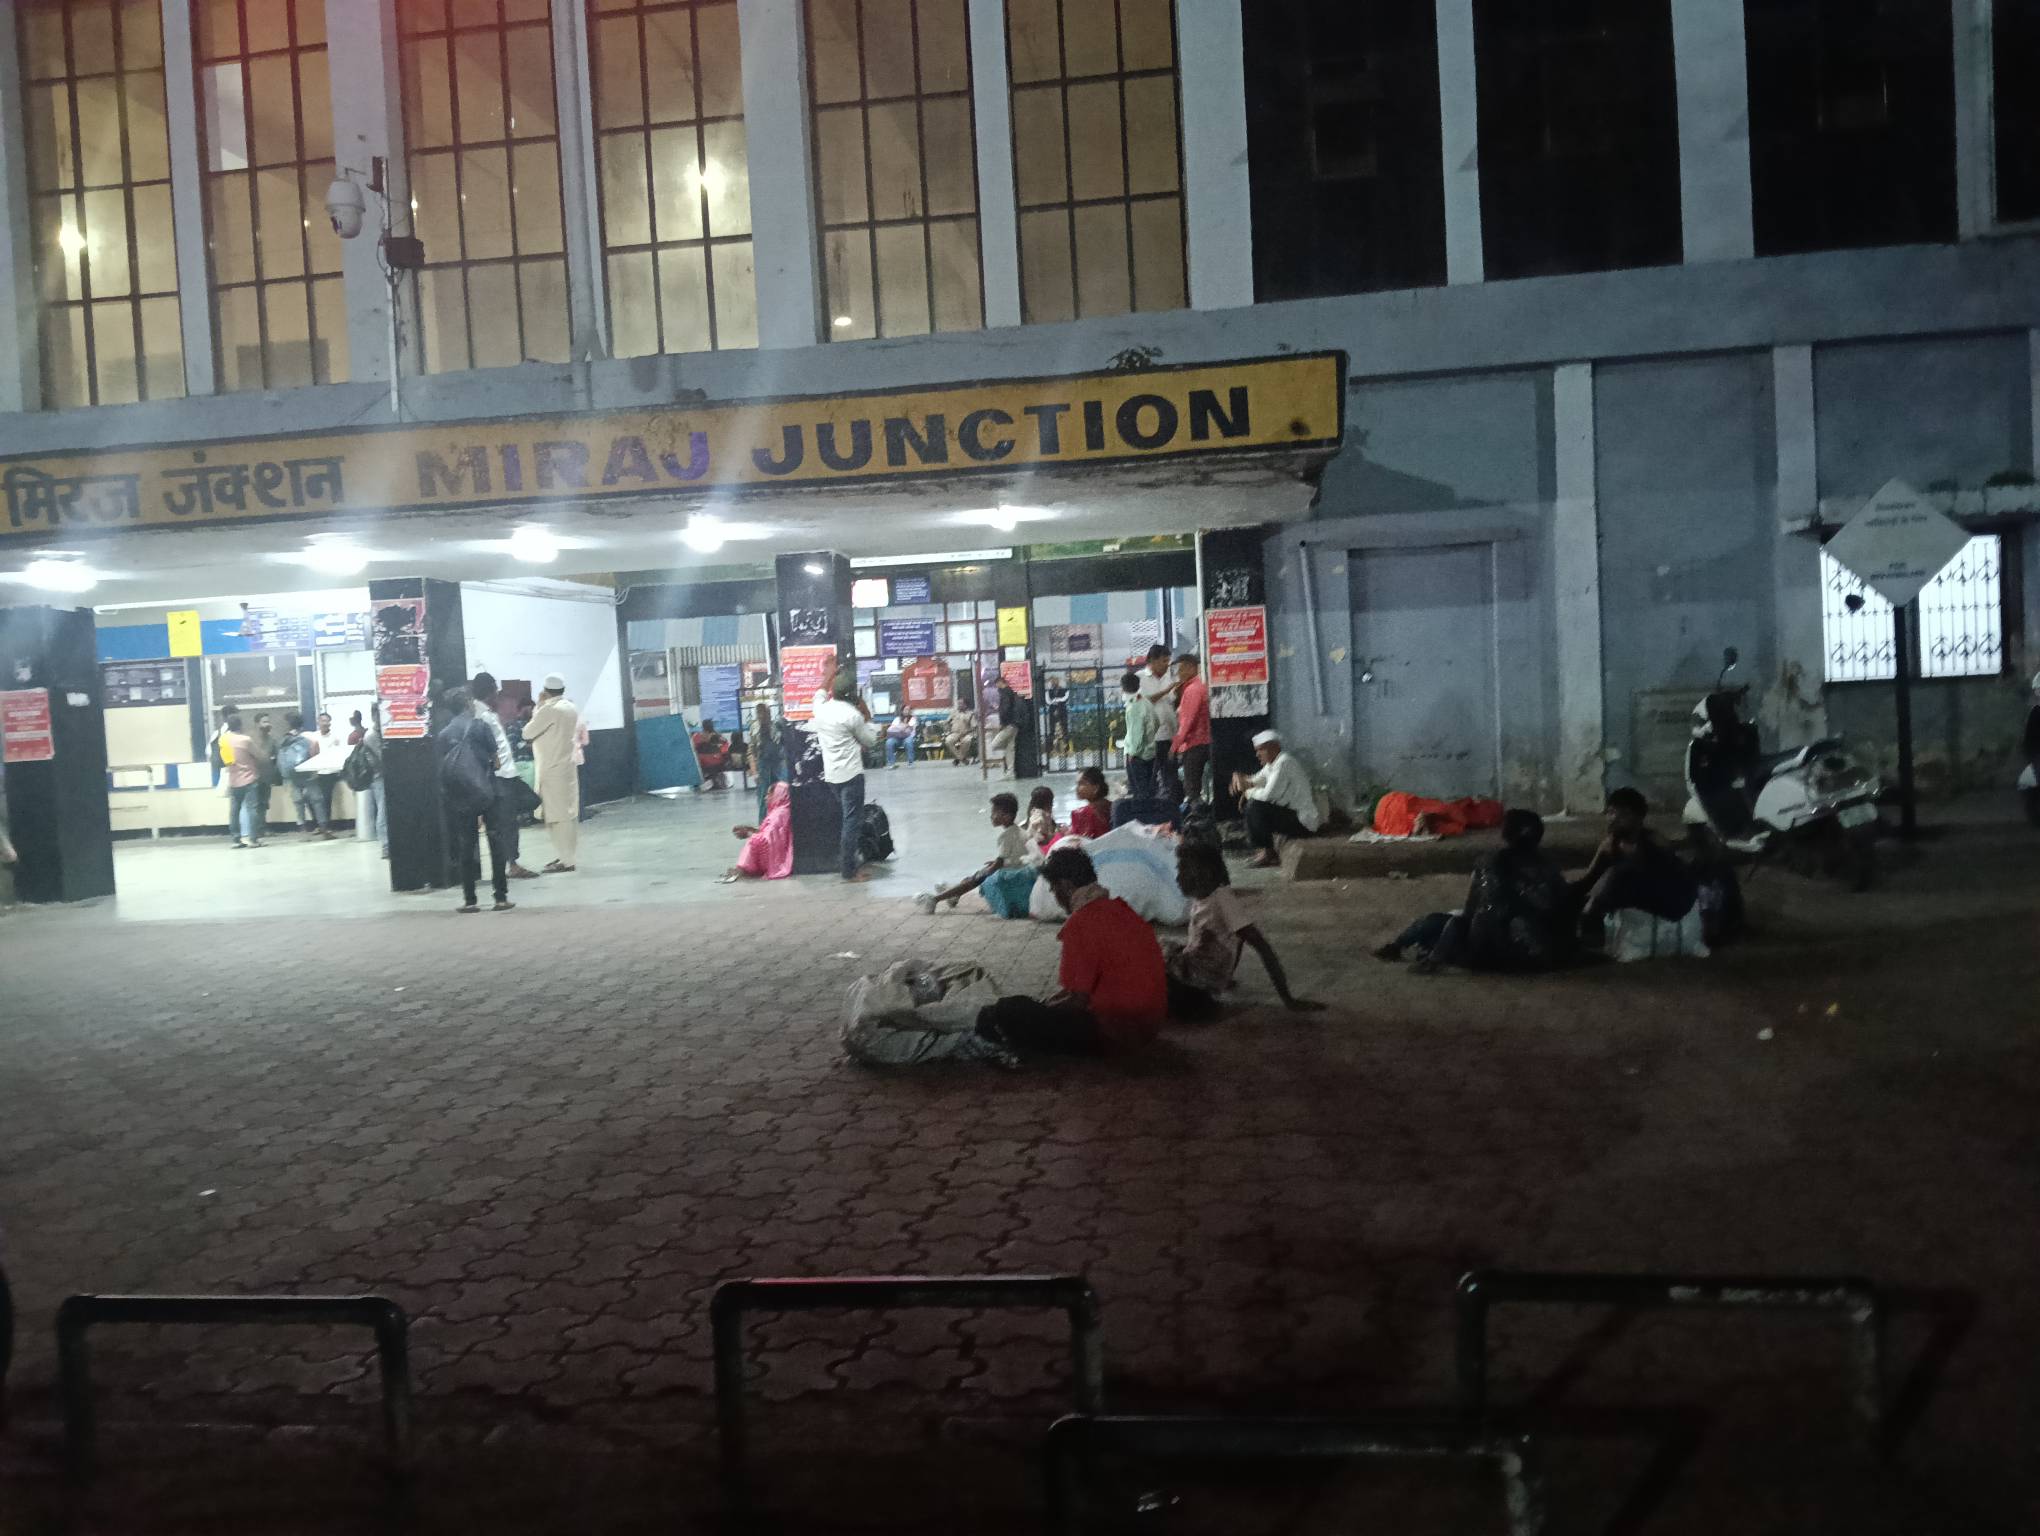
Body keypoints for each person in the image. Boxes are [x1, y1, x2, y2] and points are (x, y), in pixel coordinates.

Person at [972, 846, 1168, 1058]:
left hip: (1113, 1032)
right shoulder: (1121, 909)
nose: (1055, 897)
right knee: (1034, 1006)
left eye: (1053, 889)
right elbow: (1081, 989)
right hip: (1149, 1024)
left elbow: (1077, 1002)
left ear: (1065, 886)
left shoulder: (1081, 922)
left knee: (1007, 1010)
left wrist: (1041, 1011)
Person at [1375, 809, 1577, 974]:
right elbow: (1557, 904)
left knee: (1447, 924)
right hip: (1522, 944)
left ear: (1509, 834)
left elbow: (1474, 909)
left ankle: (1423, 956)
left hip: (1498, 946)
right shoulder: (1546, 866)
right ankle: (1415, 950)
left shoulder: (1492, 863)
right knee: (1448, 923)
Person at [1167, 843, 1321, 1018]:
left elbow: (1262, 947)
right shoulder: (1204, 897)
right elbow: (1235, 939)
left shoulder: (1223, 902)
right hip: (1193, 969)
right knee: (1160, 949)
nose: (1178, 878)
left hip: (1197, 982)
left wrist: (1288, 1000)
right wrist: (1227, 974)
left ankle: (1199, 1002)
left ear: (1205, 873)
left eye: (1184, 870)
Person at [1574, 788, 1698, 937]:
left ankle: (1590, 926)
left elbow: (1676, 880)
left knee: (1619, 875)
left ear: (1638, 817)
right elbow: (1589, 879)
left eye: (1622, 814)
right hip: (1638, 899)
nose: (1613, 819)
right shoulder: (1610, 845)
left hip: (1670, 901)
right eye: (1610, 812)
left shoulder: (1654, 841)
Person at [436, 687, 513, 913]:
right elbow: (496, 762)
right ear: (468, 704)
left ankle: (470, 900)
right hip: (488, 790)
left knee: (466, 845)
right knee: (495, 841)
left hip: (461, 794)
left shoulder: (444, 734)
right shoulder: (481, 726)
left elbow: (446, 766)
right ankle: (500, 898)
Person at [811, 670, 880, 882]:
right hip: (851, 776)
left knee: (847, 820)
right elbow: (871, 741)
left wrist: (829, 674)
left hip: (832, 776)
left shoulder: (821, 709)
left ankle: (850, 862)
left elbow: (819, 692)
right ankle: (849, 871)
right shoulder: (852, 715)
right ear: (852, 694)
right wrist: (867, 715)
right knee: (852, 823)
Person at [915, 791, 1033, 913]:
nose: (991, 816)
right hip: (1020, 869)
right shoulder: (1019, 831)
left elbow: (1000, 861)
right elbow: (1016, 854)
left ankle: (935, 899)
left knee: (975, 879)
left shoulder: (1006, 836)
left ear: (1006, 816)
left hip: (1011, 874)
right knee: (974, 877)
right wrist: (995, 864)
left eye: (994, 813)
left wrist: (989, 870)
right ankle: (953, 895)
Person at [470, 674, 539, 880]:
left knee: (515, 814)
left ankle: (510, 863)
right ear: (489, 691)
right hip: (498, 776)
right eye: (495, 691)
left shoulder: (486, 713)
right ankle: (511, 864)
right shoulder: (479, 715)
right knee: (505, 822)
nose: (497, 696)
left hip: (507, 774)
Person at [521, 674, 584, 873]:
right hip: (567, 768)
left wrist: (539, 706)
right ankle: (567, 855)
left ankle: (566, 861)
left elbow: (527, 732)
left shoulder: (549, 710)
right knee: (569, 814)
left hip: (551, 769)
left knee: (556, 817)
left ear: (546, 691)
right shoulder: (570, 707)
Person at [1232, 728, 1320, 868]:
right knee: (1254, 805)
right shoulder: (1271, 764)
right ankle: (1265, 851)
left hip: (1303, 821)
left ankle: (1268, 854)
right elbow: (1254, 780)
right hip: (1292, 815)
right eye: (1256, 750)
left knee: (1256, 807)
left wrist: (1248, 792)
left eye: (1261, 750)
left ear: (1274, 747)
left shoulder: (1284, 762)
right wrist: (1238, 777)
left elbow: (1268, 795)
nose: (1257, 755)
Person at [722, 782, 794, 882]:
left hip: (774, 859)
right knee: (755, 838)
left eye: (769, 795)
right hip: (781, 855)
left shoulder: (777, 815)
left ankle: (741, 870)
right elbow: (772, 834)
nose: (765, 798)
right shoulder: (784, 810)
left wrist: (749, 834)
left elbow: (766, 840)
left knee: (753, 841)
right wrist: (752, 830)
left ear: (778, 795)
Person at [1139, 644, 1183, 802]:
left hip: (1169, 735)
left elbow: (1174, 702)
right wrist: (1165, 691)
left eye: (1168, 661)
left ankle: (1171, 807)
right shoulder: (1139, 678)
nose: (1167, 665)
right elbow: (1141, 702)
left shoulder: (1170, 677)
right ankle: (1152, 807)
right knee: (1150, 778)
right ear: (1152, 660)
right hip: (1150, 738)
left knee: (1170, 775)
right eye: (1164, 661)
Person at [219, 711, 266, 849]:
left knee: (234, 810)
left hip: (233, 779)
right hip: (249, 778)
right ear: (240, 725)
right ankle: (253, 839)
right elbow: (260, 756)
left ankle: (236, 839)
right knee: (252, 809)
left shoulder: (224, 740)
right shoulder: (245, 740)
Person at [347, 702, 388, 858]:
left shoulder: (383, 732)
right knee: (383, 811)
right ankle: (386, 845)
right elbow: (383, 757)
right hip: (379, 777)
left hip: (385, 776)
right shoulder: (371, 736)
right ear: (374, 716)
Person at [274, 710, 324, 836]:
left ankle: (302, 830)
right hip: (308, 774)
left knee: (298, 802)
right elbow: (314, 755)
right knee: (317, 801)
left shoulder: (283, 741)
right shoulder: (308, 739)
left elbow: (279, 758)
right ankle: (324, 828)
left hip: (291, 775)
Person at [1172, 653, 1211, 805]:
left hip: (1195, 744)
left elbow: (1187, 721)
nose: (1178, 673)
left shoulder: (1192, 690)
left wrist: (1174, 746)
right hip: (1202, 742)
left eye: (1181, 669)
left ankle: (1196, 815)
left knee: (1192, 789)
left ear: (1191, 668)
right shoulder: (1196, 687)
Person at [1120, 669, 1160, 799]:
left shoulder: (1133, 707)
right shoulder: (1145, 701)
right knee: (1149, 788)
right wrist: (1150, 738)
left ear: (1123, 688)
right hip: (1150, 752)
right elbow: (1157, 722)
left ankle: (1143, 811)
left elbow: (1136, 734)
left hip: (1138, 756)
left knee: (1139, 791)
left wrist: (1133, 753)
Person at [750, 700, 787, 821]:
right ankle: (763, 825)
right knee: (763, 797)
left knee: (781, 794)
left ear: (770, 713)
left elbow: (784, 745)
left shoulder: (777, 726)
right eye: (760, 712)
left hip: (778, 764)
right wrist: (754, 771)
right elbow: (751, 751)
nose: (762, 715)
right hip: (763, 766)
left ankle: (780, 822)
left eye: (765, 712)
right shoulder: (754, 729)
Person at [1067, 766, 1112, 839]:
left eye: (1081, 783)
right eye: (1077, 784)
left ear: (1095, 788)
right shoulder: (1114, 807)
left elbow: (1079, 841)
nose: (1077, 788)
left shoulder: (1080, 814)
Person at [988, 684, 1022, 774]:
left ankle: (1010, 770)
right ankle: (1010, 771)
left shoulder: (1006, 697)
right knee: (1010, 748)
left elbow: (1005, 711)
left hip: (1008, 726)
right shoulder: (1014, 698)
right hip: (1015, 725)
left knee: (994, 745)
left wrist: (1002, 723)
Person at [693, 717, 732, 791]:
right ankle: (716, 779)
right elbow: (725, 750)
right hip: (718, 763)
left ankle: (707, 781)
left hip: (703, 764)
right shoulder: (720, 737)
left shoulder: (697, 737)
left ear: (703, 727)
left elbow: (693, 748)